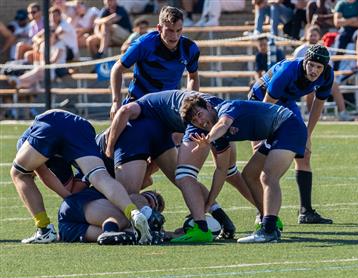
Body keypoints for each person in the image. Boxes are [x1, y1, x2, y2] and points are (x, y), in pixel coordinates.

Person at [107, 90, 256, 242]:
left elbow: (125, 110)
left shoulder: (144, 108)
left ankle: (185, 225)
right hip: (171, 132)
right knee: (216, 173)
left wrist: (109, 148)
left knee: (128, 196)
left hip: (146, 134)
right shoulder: (207, 108)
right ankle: (255, 217)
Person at [10, 109, 151, 244]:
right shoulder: (56, 159)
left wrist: (71, 201)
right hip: (81, 124)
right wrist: (72, 197)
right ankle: (133, 212)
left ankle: (44, 228)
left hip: (50, 121)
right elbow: (69, 185)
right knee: (100, 176)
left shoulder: (24, 144)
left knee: (19, 174)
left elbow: (44, 174)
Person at [180, 97, 307, 243]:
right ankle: (269, 220)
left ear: (209, 106)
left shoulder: (227, 107)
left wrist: (207, 140)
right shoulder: (217, 133)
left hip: (288, 126)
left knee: (269, 177)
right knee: (249, 175)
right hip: (276, 134)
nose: (200, 122)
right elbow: (222, 170)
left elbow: (223, 123)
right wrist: (209, 203)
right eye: (195, 121)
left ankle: (268, 229)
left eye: (199, 114)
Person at [248, 44, 334, 224]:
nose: (314, 70)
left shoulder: (327, 74)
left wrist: (307, 135)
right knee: (261, 157)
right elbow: (266, 107)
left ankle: (306, 211)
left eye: (319, 67)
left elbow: (318, 105)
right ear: (304, 62)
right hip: (261, 102)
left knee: (304, 154)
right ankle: (261, 211)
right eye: (311, 65)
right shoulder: (287, 71)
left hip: (286, 101)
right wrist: (265, 138)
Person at [109, 6, 200, 119]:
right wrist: (116, 101)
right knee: (126, 132)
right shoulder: (143, 44)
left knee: (179, 135)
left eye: (178, 30)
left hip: (169, 104)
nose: (175, 36)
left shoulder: (190, 48)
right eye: (170, 30)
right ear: (159, 28)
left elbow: (193, 77)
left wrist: (191, 102)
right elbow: (117, 68)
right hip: (139, 102)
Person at [59, 187, 165, 245]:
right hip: (78, 205)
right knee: (127, 217)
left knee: (126, 236)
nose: (149, 204)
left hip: (67, 228)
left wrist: (171, 235)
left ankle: (109, 232)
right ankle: (109, 231)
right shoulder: (131, 196)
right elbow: (137, 194)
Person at [293, 26, 355, 121]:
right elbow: (295, 68)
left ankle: (343, 113)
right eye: (311, 35)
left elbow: (328, 68)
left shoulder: (324, 50)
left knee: (334, 85)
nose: (313, 37)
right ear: (306, 36)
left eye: (315, 35)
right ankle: (311, 114)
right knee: (310, 89)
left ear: (319, 36)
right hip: (303, 79)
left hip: (320, 78)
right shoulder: (300, 50)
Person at [333, 0, 358, 71]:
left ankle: (357, 63)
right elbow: (337, 23)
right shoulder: (341, 4)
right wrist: (353, 19)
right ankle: (334, 70)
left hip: (357, 30)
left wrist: (345, 21)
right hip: (344, 31)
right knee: (339, 44)